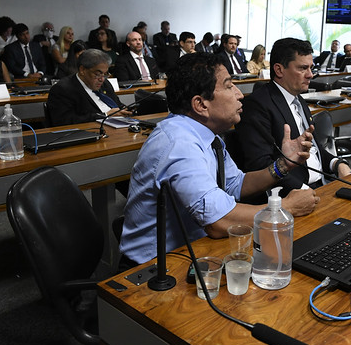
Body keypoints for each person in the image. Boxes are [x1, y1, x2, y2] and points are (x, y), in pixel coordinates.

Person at [118, 52, 319, 267]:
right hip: (153, 268)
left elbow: (236, 185)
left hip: (193, 252)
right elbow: (218, 221)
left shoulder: (206, 134)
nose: (240, 95)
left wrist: (283, 165)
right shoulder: (179, 143)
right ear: (201, 104)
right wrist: (286, 208)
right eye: (229, 86)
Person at [236, 37, 351, 198]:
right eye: (303, 68)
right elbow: (260, 166)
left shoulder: (299, 100)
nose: (310, 75)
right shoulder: (257, 105)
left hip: (322, 185)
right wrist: (306, 191)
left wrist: (337, 163)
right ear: (279, 70)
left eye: (311, 68)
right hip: (291, 195)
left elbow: (314, 150)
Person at [47, 49, 131, 126]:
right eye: (97, 74)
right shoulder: (62, 89)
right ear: (82, 70)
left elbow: (117, 105)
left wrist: (127, 110)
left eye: (105, 74)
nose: (102, 79)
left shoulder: (105, 84)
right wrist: (105, 115)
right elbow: (64, 121)